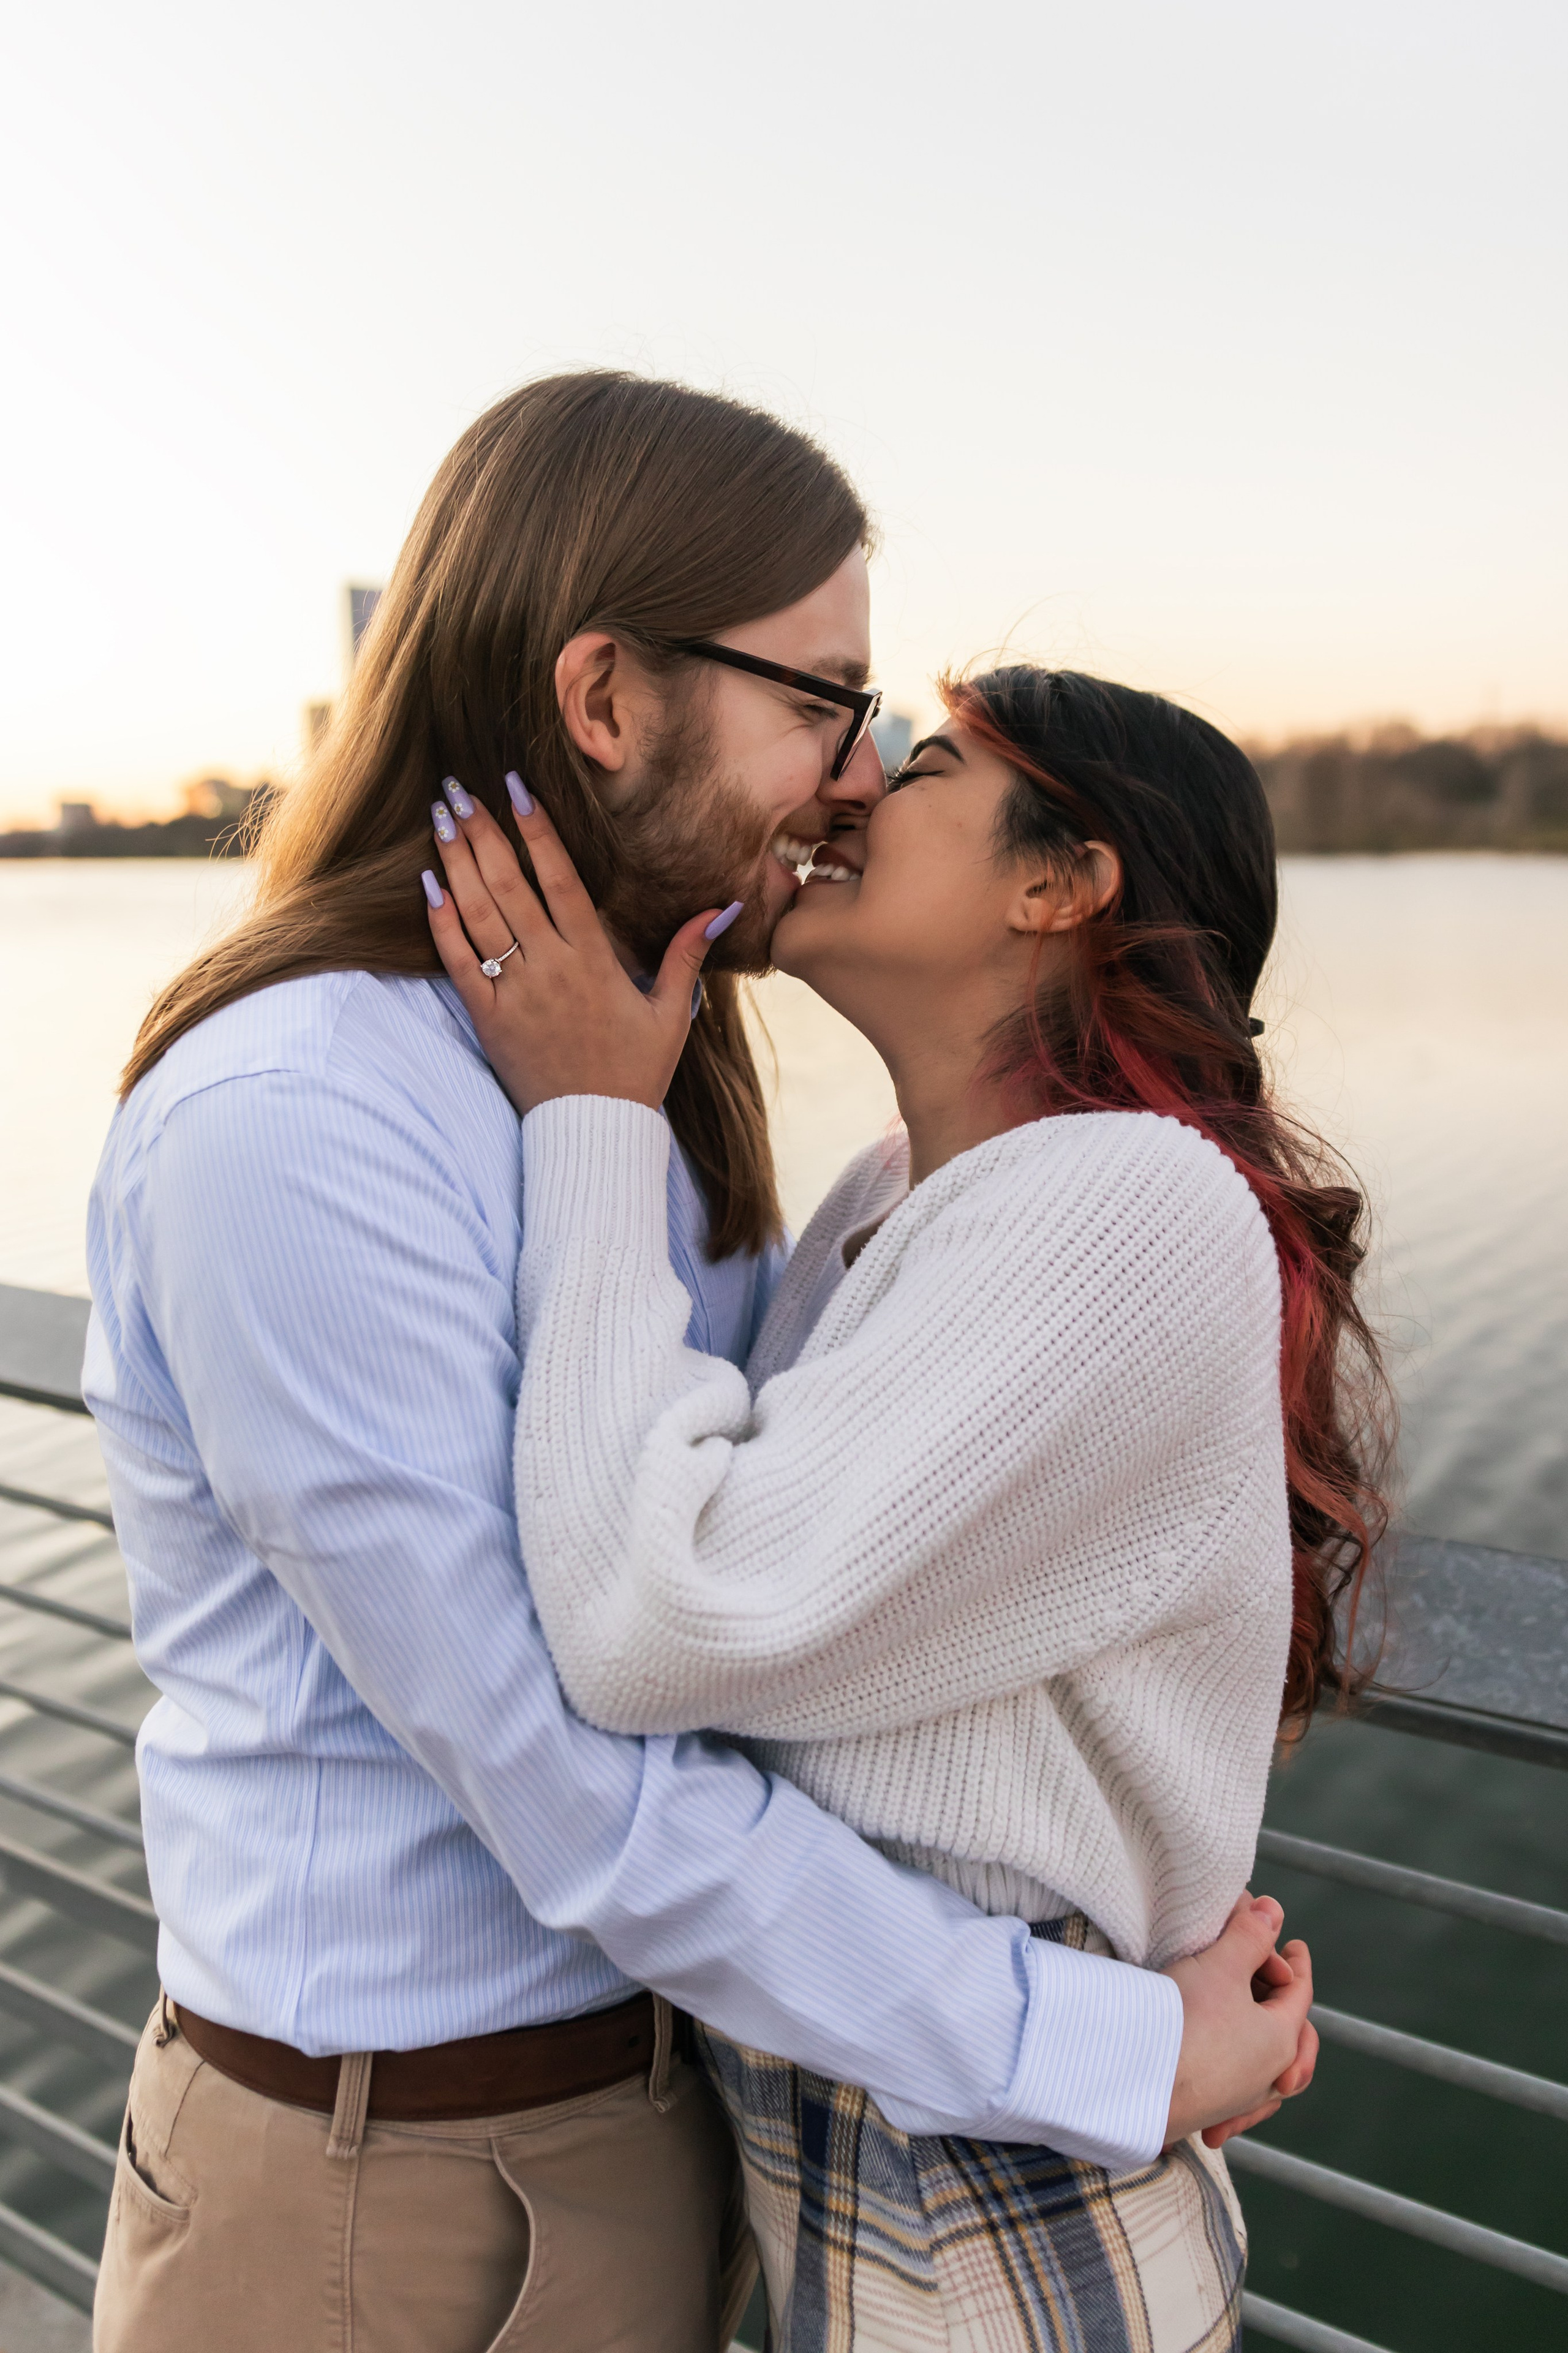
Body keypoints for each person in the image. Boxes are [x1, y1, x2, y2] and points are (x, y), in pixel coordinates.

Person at [85, 374, 1315, 2353]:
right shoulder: (306, 1120)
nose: (851, 775)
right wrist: (1095, 2040)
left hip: (714, 2135)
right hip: (386, 2188)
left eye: (890, 734)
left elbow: (744, 1594)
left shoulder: (644, 1083)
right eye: (829, 701)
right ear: (606, 699)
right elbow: (579, 1761)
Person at [421, 659, 1387, 2351]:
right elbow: (705, 1592)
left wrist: (590, 1120)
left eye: (928, 764)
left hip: (1000, 2218)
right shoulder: (897, 1197)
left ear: (1059, 883)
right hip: (866, 2148)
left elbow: (652, 1621)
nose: (857, 782)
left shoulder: (1137, 1205)